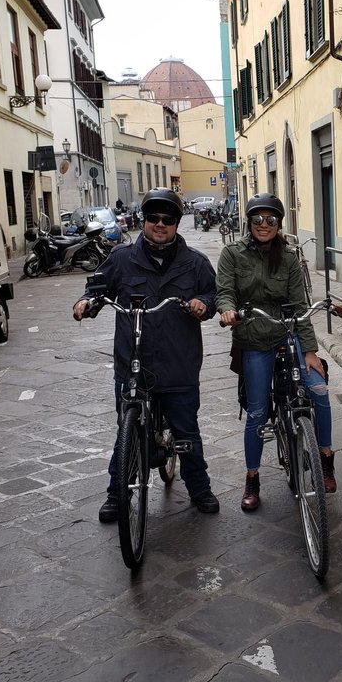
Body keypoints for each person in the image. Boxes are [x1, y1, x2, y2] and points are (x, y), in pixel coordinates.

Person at [72, 187, 220, 520]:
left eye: (168, 219)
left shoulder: (194, 263)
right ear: (144, 219)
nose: (160, 224)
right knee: (127, 430)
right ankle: (117, 494)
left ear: (177, 224)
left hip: (178, 364)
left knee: (186, 430)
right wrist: (86, 303)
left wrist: (204, 305)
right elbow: (97, 288)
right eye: (153, 217)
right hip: (132, 363)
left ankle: (199, 488)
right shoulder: (122, 258)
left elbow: (213, 294)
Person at [216, 193, 336, 511]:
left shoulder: (289, 258)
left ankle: (325, 457)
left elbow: (300, 306)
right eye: (258, 219)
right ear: (249, 222)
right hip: (254, 339)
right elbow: (225, 290)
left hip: (287, 333)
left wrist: (310, 350)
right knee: (257, 411)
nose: (264, 225)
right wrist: (227, 309)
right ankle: (252, 477)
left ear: (279, 223)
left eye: (271, 220)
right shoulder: (232, 254)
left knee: (318, 388)